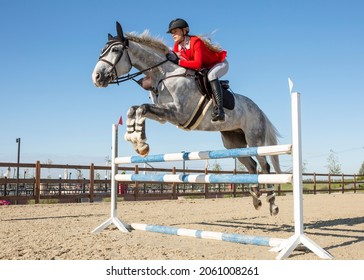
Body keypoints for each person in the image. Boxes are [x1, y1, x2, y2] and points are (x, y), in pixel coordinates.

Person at [166, 18, 228, 122]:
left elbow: (197, 64)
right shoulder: (177, 45)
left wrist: (178, 62)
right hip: (206, 67)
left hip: (219, 64)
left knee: (211, 76)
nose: (173, 35)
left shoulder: (195, 41)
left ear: (184, 31)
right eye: (172, 33)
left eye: (175, 31)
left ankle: (220, 110)